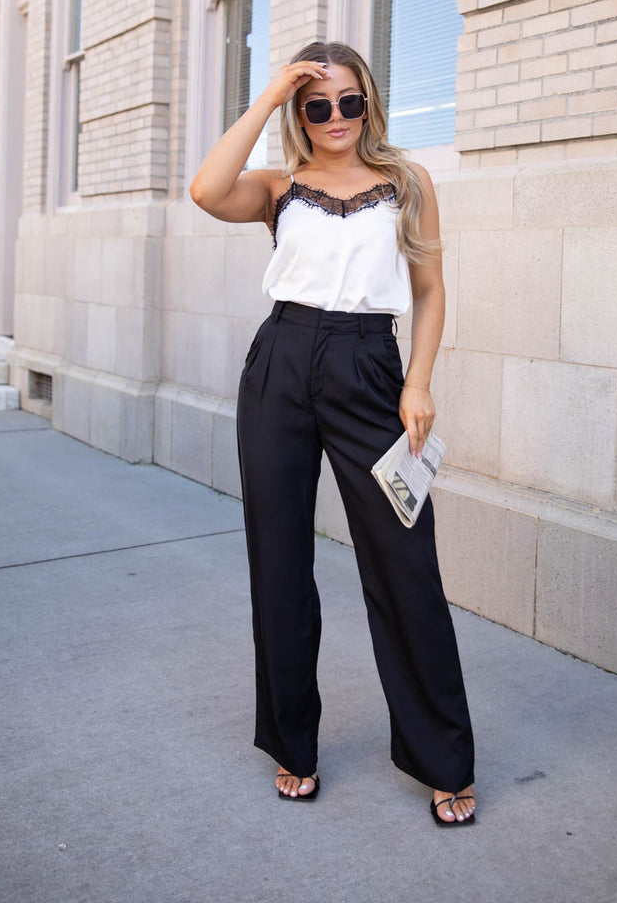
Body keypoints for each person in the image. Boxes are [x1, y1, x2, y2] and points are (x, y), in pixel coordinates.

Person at [190, 40, 475, 826]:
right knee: (278, 560)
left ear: (369, 103)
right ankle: (293, 744)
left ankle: (443, 757)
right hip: (280, 362)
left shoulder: (407, 184)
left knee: (406, 564)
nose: (337, 117)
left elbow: (429, 289)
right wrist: (270, 88)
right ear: (300, 113)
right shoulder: (281, 189)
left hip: (369, 369)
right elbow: (206, 189)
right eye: (318, 105)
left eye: (350, 101)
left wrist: (417, 384)